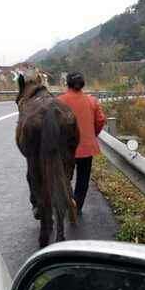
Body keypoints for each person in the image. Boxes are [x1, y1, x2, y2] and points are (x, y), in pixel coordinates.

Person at [58, 72, 106, 216]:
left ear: (67, 84)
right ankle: (77, 206)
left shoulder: (59, 102)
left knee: (64, 176)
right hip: (86, 147)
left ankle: (67, 201)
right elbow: (100, 120)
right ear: (83, 84)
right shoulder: (92, 101)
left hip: (65, 149)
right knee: (83, 178)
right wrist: (92, 135)